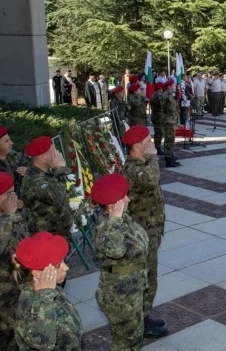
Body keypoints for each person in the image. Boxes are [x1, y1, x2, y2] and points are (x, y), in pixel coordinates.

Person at [91, 174, 157, 350]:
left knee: (133, 340)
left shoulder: (123, 219)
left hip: (132, 290)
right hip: (119, 296)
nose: (128, 199)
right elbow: (116, 250)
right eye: (123, 197)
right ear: (113, 203)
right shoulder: (107, 226)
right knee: (126, 343)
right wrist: (115, 220)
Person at [121, 126, 169, 337]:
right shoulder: (134, 168)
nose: (151, 144)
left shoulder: (142, 164)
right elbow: (150, 180)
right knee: (147, 278)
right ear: (138, 145)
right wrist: (153, 157)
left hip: (151, 229)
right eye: (148, 141)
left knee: (150, 277)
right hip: (142, 233)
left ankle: (145, 315)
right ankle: (141, 322)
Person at [12, 232, 81, 350]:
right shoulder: (32, 304)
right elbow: (43, 343)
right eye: (59, 265)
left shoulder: (51, 290)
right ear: (38, 273)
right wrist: (44, 296)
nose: (67, 268)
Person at [20, 136, 72, 237]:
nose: (57, 153)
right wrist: (60, 169)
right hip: (47, 238)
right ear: (42, 157)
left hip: (58, 235)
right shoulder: (33, 179)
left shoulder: (45, 173)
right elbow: (55, 196)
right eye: (53, 151)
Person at [0, 173, 29, 350]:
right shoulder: (7, 216)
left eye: (13, 193)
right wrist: (8, 216)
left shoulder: (11, 215)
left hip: (20, 291)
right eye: (8, 194)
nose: (13, 198)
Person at [0, 127, 27, 194]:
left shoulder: (14, 155)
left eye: (10, 140)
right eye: (6, 141)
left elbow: (35, 168)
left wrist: (28, 171)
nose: (11, 143)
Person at [162, 80, 180, 167]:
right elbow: (166, 106)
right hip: (168, 120)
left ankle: (170, 155)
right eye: (173, 85)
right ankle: (168, 159)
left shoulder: (170, 95)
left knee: (171, 139)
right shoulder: (166, 95)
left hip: (171, 120)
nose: (174, 87)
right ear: (169, 86)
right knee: (169, 139)